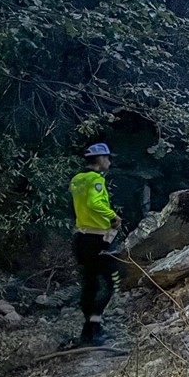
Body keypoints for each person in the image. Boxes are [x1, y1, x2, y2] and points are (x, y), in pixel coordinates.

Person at [70, 143, 123, 346]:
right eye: (107, 158)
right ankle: (94, 327)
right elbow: (94, 203)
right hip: (96, 239)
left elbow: (80, 206)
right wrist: (113, 216)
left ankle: (88, 331)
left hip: (81, 239)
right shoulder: (95, 179)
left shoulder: (77, 180)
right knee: (110, 283)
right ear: (100, 159)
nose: (109, 162)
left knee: (90, 282)